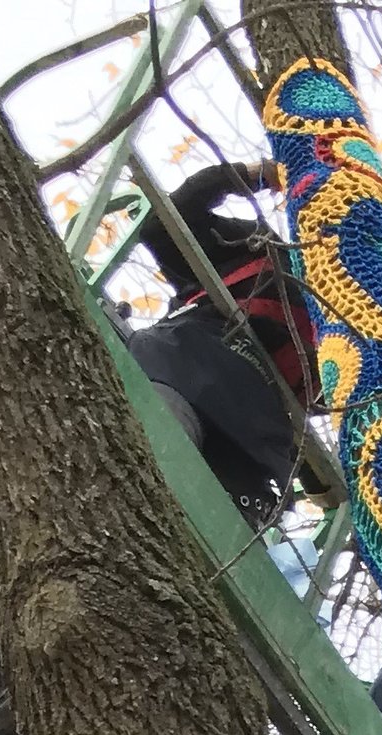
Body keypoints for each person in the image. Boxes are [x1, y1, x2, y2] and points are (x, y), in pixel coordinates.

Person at [121, 160, 321, 525]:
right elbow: (166, 224)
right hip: (180, 380)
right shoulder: (259, 251)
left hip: (247, 456)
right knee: (141, 473)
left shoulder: (344, 336)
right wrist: (258, 173)